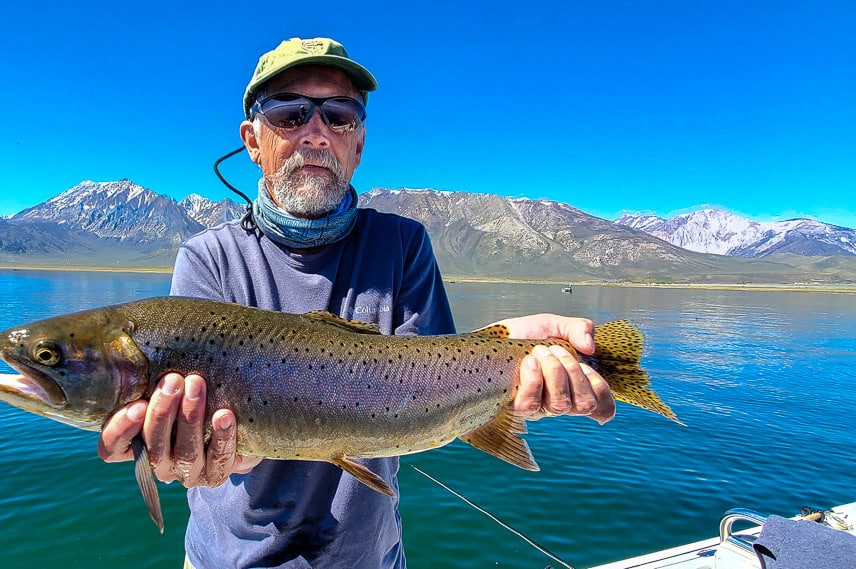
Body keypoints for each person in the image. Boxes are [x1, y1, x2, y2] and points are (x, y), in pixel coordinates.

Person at [97, 37, 616, 568]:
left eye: (339, 115)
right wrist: (202, 451)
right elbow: (218, 435)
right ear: (253, 141)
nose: (316, 133)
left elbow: (430, 388)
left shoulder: (403, 244)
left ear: (359, 141)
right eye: (290, 113)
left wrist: (514, 352)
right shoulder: (208, 258)